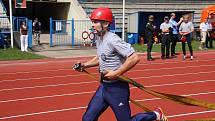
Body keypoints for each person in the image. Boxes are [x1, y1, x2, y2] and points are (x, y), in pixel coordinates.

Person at [74, 7, 168, 121]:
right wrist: (84, 65)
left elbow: (134, 58)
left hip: (117, 88)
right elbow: (100, 58)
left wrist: (116, 73)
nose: (93, 25)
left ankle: (156, 115)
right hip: (104, 87)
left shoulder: (113, 39)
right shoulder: (99, 38)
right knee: (87, 119)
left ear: (106, 23)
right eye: (92, 22)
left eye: (95, 22)